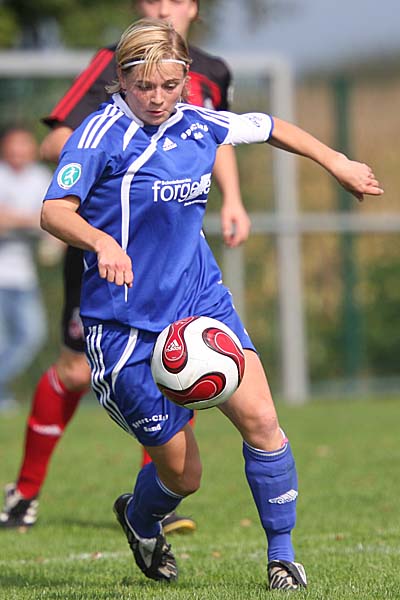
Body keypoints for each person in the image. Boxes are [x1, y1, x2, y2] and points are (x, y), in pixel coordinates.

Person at [39, 18, 383, 590]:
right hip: (124, 328)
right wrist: (100, 242)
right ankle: (140, 518)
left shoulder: (199, 122)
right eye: (144, 85)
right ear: (122, 79)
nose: (157, 97)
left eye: (169, 85)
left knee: (263, 422)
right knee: (183, 476)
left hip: (200, 306)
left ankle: (282, 558)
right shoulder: (99, 136)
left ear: (185, 80)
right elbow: (54, 211)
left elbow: (270, 126)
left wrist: (338, 162)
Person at [0, 0, 250, 533]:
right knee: (75, 371)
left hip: (171, 252)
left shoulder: (214, 71)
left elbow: (219, 135)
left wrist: (233, 199)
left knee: (177, 359)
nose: (161, 8)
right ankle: (24, 492)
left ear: (194, 7)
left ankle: (157, 499)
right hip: (107, 251)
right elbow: (57, 138)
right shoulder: (117, 61)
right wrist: (109, 165)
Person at [0, 128, 52, 413]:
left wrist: (17, 220)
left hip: (24, 276)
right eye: (14, 145)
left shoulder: (41, 178)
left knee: (32, 336)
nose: (19, 150)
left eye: (24, 144)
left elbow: (55, 218)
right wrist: (34, 222)